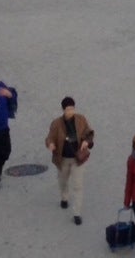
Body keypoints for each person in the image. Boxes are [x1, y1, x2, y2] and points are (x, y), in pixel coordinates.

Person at [45, 96, 94, 227]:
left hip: (78, 158)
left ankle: (77, 213)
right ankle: (64, 197)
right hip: (63, 159)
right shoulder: (56, 124)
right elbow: (49, 138)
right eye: (68, 109)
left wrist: (86, 141)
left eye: (72, 108)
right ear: (63, 109)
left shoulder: (81, 119)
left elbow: (89, 133)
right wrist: (50, 144)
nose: (70, 111)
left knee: (78, 185)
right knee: (63, 181)